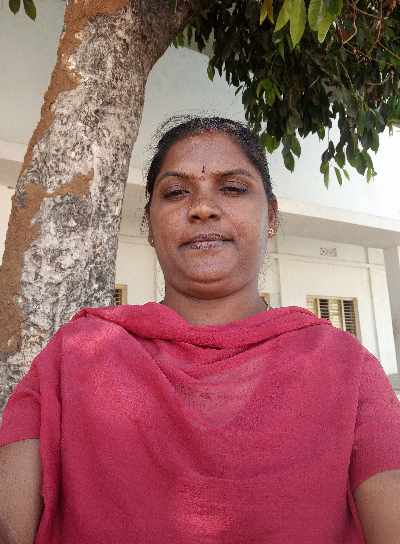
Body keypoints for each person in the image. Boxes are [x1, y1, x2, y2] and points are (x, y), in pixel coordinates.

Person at [1, 115, 400, 544]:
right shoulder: (75, 357)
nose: (203, 208)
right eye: (176, 192)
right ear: (149, 225)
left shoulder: (345, 367)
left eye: (232, 188)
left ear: (271, 217)